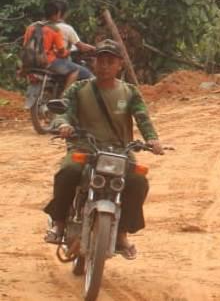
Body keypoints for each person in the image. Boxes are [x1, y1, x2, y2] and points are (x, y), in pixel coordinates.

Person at [44, 40, 164, 261]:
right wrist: (63, 124)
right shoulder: (79, 88)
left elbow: (142, 117)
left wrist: (152, 139)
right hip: (84, 146)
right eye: (100, 60)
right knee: (68, 171)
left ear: (120, 65)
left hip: (120, 151)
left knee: (138, 182)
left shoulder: (130, 92)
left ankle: (121, 234)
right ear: (94, 62)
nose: (104, 66)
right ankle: (59, 224)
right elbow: (63, 110)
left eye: (110, 61)